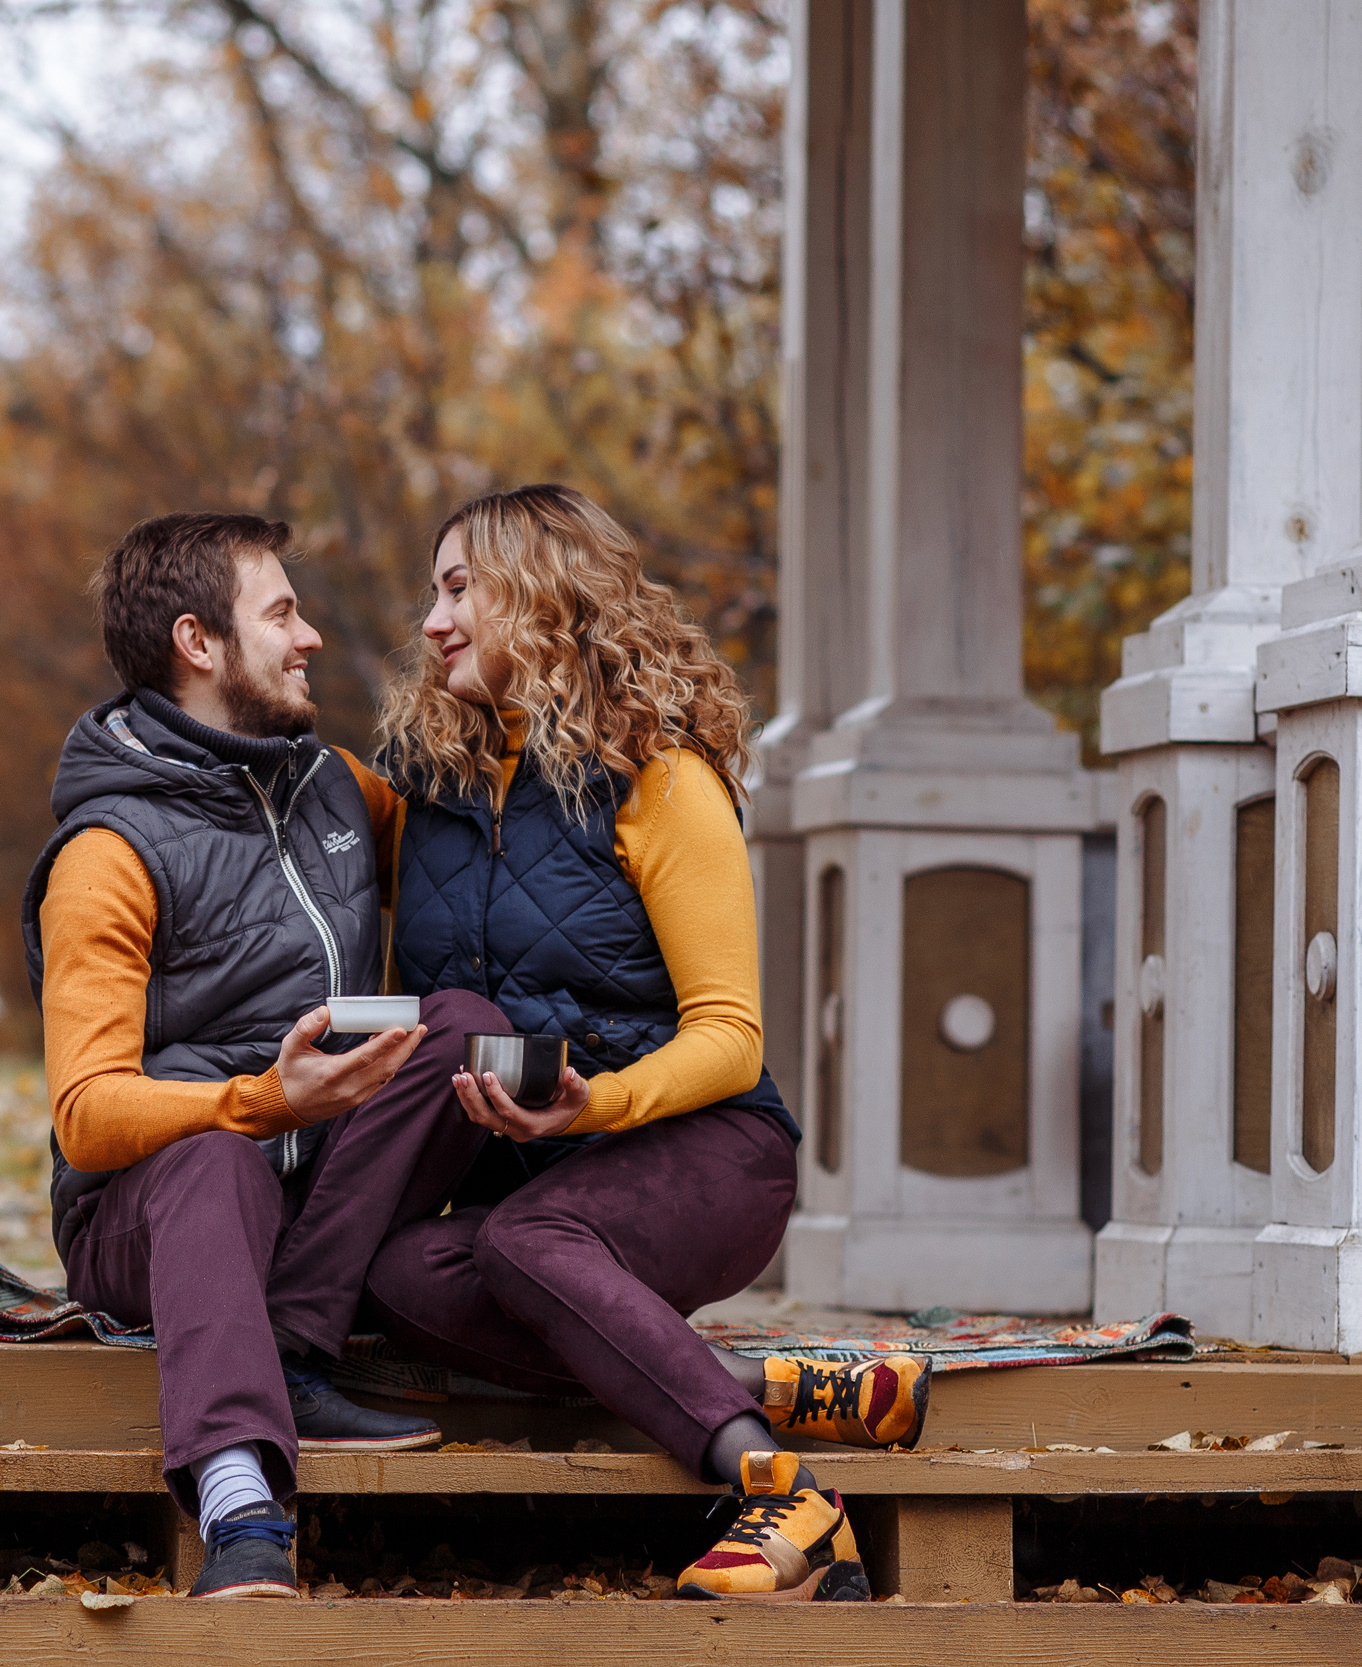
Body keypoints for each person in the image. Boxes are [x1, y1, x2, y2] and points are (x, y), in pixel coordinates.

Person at [362, 484, 928, 1604]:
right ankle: (762, 1382)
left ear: (548, 594)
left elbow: (730, 1035)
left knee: (527, 1241)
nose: (431, 621)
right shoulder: (425, 793)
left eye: (459, 587)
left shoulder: (660, 778)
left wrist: (598, 1103)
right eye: (433, 593)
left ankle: (786, 1497)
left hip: (707, 1150)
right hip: (542, 1173)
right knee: (398, 1273)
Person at [21, 511, 503, 1599]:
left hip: (312, 1212)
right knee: (213, 1157)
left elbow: (474, 848)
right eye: (280, 611)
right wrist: (260, 1100)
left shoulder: (328, 783)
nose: (310, 636)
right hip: (152, 1216)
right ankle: (242, 1505)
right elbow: (87, 1112)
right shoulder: (108, 854)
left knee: (462, 1021)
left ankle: (293, 1346)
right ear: (199, 642)